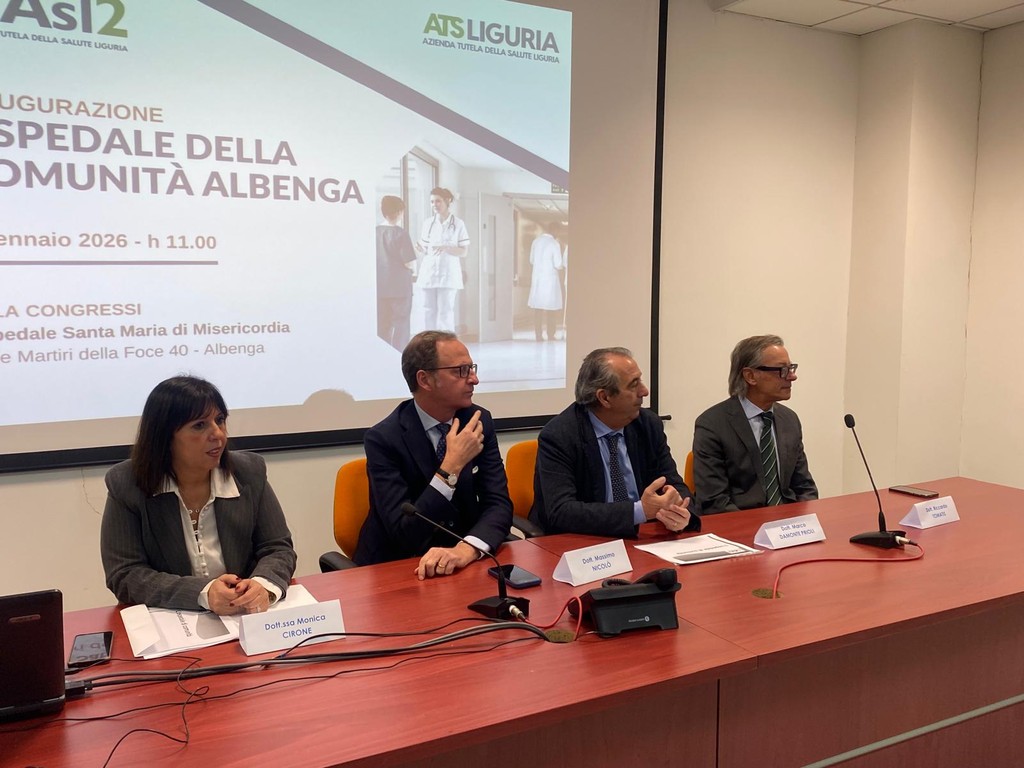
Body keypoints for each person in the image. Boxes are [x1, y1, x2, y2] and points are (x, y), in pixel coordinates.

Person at [100, 376, 296, 615]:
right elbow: (125, 574)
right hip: (174, 619)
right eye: (200, 425)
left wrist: (262, 585)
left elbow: (277, 548)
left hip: (244, 615)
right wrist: (203, 593)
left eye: (220, 420)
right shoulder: (127, 484)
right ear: (165, 437)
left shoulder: (248, 472)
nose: (218, 434)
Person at [353, 330, 512, 578]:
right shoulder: (383, 439)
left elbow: (498, 504)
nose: (474, 379)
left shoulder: (478, 421)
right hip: (400, 567)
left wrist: (467, 549)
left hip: (463, 562)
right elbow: (404, 532)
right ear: (425, 380)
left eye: (472, 368)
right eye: (461, 371)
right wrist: (450, 468)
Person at [530, 347, 700, 538]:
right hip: (583, 541)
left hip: (642, 539)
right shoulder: (560, 435)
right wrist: (639, 512)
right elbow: (562, 511)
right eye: (634, 385)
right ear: (605, 397)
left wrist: (681, 511)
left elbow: (674, 484)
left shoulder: (648, 425)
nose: (644, 391)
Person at [692, 334, 818, 514]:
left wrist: (804, 521)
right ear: (750, 376)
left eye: (791, 368)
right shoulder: (712, 424)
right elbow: (714, 501)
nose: (792, 376)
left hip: (788, 523)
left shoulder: (789, 419)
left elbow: (805, 487)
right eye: (782, 370)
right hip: (739, 523)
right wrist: (757, 527)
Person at [415, 187, 470, 332]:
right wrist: (421, 249)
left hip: (448, 274)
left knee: (445, 311)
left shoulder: (458, 224)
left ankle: (445, 342)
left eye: (438, 201)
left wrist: (446, 248)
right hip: (429, 272)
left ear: (447, 201)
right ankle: (429, 342)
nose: (435, 205)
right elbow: (426, 249)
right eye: (432, 202)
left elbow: (464, 252)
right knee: (428, 310)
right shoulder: (428, 223)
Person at [376, 194, 416, 350]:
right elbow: (409, 262)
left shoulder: (375, 232)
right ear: (399, 212)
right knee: (401, 325)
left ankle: (382, 356)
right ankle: (400, 356)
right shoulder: (401, 234)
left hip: (380, 287)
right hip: (399, 289)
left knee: (382, 325)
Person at [527, 223, 564, 341]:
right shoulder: (554, 243)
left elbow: (531, 260)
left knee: (538, 309)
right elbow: (558, 264)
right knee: (551, 309)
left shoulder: (536, 242)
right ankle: (550, 334)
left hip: (538, 279)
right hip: (550, 280)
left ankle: (538, 335)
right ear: (555, 230)